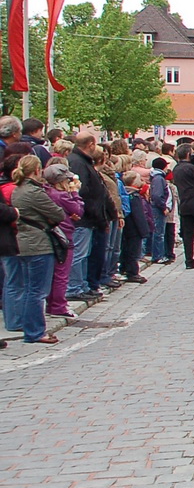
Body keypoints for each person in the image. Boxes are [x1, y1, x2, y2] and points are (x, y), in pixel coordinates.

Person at [2, 156, 66, 344]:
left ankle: (30, 328)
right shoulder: (33, 192)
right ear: (37, 170)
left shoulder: (17, 190)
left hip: (22, 241)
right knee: (37, 291)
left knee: (28, 288)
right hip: (37, 244)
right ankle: (35, 331)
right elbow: (58, 213)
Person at [65, 133, 113, 304]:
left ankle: (82, 285)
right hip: (84, 217)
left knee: (84, 253)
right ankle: (75, 287)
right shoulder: (78, 162)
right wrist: (93, 211)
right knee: (79, 254)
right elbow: (82, 191)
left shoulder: (82, 161)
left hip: (90, 216)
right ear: (91, 144)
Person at [42, 164, 82, 320]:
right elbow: (78, 210)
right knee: (61, 273)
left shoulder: (46, 192)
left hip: (52, 234)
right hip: (64, 235)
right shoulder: (62, 195)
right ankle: (58, 305)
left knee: (54, 272)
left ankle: (52, 303)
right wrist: (75, 193)